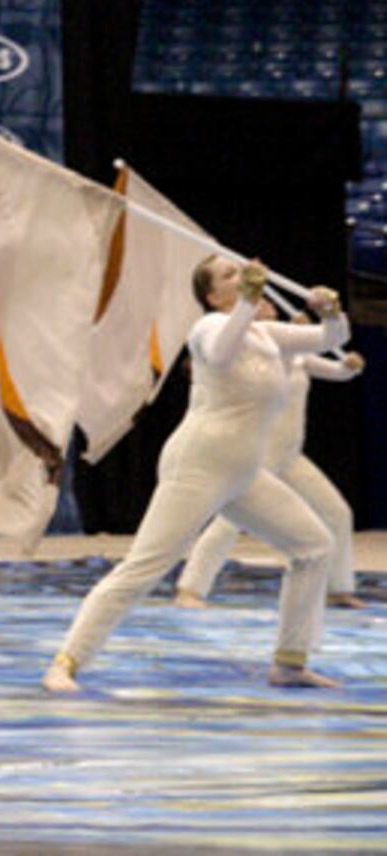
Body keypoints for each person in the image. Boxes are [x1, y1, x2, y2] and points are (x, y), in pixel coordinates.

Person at [43, 257, 349, 692]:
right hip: (198, 464)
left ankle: (289, 662)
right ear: (213, 297)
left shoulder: (265, 334)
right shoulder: (206, 328)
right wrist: (246, 303)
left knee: (315, 546)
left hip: (242, 472)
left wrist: (330, 310)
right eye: (228, 276)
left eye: (238, 271)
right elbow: (222, 352)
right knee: (145, 567)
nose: (239, 277)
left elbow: (332, 339)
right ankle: (65, 661)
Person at [174, 304, 367, 609]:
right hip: (259, 455)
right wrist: (301, 340)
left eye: (268, 302)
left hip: (290, 456)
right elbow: (277, 366)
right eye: (259, 304)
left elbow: (336, 371)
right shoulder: (255, 355)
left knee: (337, 513)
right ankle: (190, 589)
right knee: (228, 525)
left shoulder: (299, 354)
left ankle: (338, 588)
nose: (267, 306)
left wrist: (350, 367)